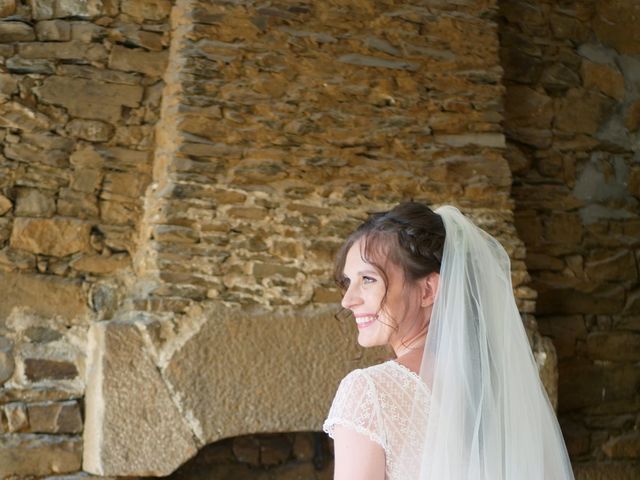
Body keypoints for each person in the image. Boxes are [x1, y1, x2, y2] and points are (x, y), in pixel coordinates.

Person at [322, 202, 574, 480]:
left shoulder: (368, 392)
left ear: (428, 290)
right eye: (348, 281)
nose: (348, 300)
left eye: (368, 279)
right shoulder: (502, 388)